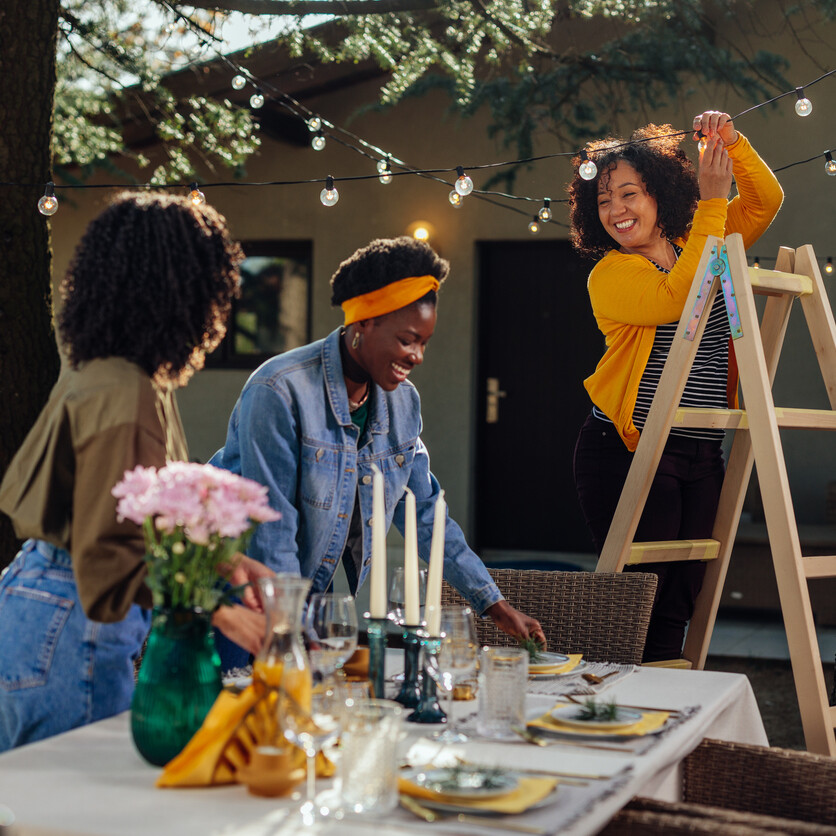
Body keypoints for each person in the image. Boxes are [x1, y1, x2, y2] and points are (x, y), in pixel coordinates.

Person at [0, 193, 271, 751]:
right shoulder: (125, 391)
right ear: (179, 291)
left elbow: (118, 516)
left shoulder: (106, 374)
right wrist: (219, 611)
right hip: (72, 622)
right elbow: (105, 560)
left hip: (41, 605)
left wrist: (223, 557)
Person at [210, 236, 545, 668]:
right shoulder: (278, 389)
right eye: (408, 340)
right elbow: (273, 527)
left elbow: (426, 511)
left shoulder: (403, 402)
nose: (418, 356)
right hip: (244, 600)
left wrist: (492, 603)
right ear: (364, 322)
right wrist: (287, 632)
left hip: (306, 601)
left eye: (424, 342)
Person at [569, 111, 783, 662]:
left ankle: (661, 711)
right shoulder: (612, 273)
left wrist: (732, 145)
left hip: (700, 446)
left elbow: (764, 202)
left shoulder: (699, 240)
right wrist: (713, 201)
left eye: (629, 194)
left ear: (660, 193)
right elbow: (675, 301)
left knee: (683, 593)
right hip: (629, 447)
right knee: (642, 592)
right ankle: (624, 710)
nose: (617, 210)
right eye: (604, 201)